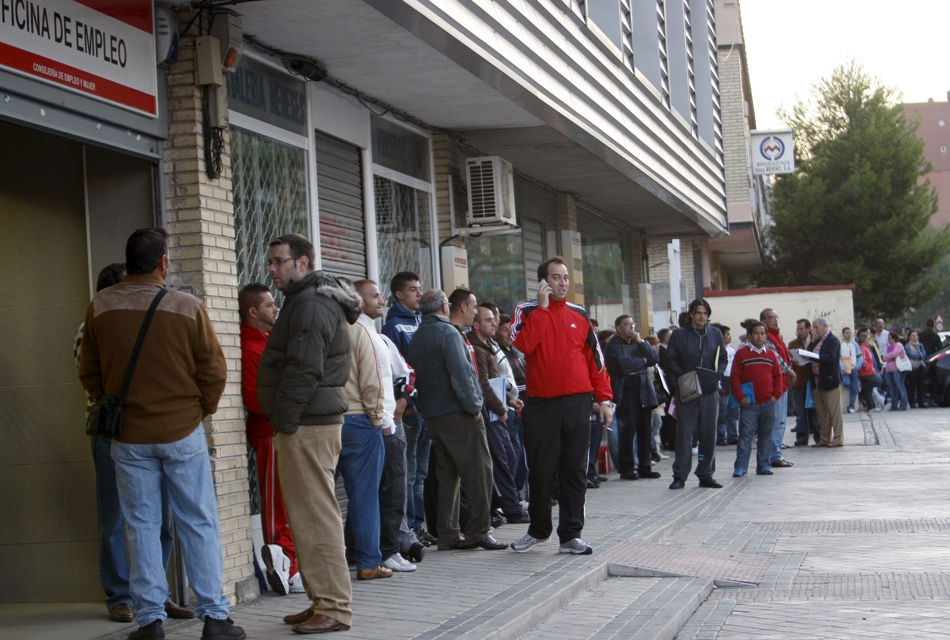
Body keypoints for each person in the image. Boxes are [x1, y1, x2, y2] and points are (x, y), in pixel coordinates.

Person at [78, 229, 241, 640]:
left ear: (129, 261)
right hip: (181, 430)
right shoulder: (187, 306)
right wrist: (199, 410)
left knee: (140, 524)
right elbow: (214, 371)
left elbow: (89, 372)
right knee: (198, 521)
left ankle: (150, 619)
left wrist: (114, 404)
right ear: (163, 263)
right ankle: (215, 618)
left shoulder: (100, 306)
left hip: (128, 436)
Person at [75, 264, 195, 625]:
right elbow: (90, 378)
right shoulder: (93, 327)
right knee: (115, 518)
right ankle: (121, 595)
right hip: (112, 434)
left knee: (159, 518)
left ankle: (155, 596)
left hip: (149, 431)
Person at [257, 233, 360, 634]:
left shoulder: (313, 304)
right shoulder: (305, 300)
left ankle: (333, 606)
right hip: (306, 422)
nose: (272, 268)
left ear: (302, 264)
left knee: (316, 516)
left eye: (279, 261)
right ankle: (322, 599)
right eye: (271, 261)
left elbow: (303, 369)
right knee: (307, 516)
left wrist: (283, 420)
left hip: (306, 425)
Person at [509, 257, 614, 555]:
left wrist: (603, 399)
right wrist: (542, 310)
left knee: (574, 470)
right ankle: (538, 530)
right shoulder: (526, 311)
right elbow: (524, 346)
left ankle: (571, 534)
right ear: (543, 282)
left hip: (578, 403)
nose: (562, 283)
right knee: (541, 470)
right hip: (541, 404)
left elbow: (596, 360)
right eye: (555, 277)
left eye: (565, 277)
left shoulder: (580, 314)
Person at [407, 290, 507, 551]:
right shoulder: (448, 333)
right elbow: (462, 375)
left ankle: (448, 534)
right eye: (474, 307)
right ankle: (478, 532)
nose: (475, 311)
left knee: (448, 476)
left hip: (433, 415)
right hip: (459, 414)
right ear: (443, 307)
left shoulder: (419, 335)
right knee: (479, 473)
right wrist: (474, 407)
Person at [352, 280, 425, 573]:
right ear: (357, 302)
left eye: (381, 295)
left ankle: (388, 548)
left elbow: (406, 373)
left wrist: (402, 402)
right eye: (375, 296)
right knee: (372, 492)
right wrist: (382, 419)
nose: (381, 300)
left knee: (393, 488)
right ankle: (375, 551)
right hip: (367, 427)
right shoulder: (352, 334)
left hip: (388, 425)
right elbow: (366, 384)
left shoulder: (381, 338)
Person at [238, 283, 302, 596]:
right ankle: (283, 566)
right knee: (277, 505)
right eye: (268, 305)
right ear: (253, 312)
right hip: (270, 433)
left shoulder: (266, 342)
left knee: (291, 502)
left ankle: (292, 563)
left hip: (284, 430)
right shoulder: (249, 347)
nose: (275, 309)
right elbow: (256, 400)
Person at [338, 278, 394, 582]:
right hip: (360, 422)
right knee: (364, 497)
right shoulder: (362, 332)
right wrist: (378, 420)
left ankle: (325, 564)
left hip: (327, 422)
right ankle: (368, 563)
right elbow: (373, 382)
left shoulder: (324, 330)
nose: (380, 300)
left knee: (321, 498)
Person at [382, 272, 432, 545]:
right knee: (409, 471)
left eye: (419, 288)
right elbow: (396, 370)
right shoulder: (394, 327)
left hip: (427, 409)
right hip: (410, 411)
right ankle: (408, 529)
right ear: (399, 295)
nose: (418, 293)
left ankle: (418, 526)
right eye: (412, 289)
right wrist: (407, 403)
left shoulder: (422, 321)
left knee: (421, 472)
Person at [469, 304, 528, 522]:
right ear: (476, 325)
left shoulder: (488, 346)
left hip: (500, 409)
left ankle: (507, 504)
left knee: (509, 456)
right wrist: (500, 407)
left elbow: (495, 382)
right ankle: (507, 507)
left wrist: (509, 400)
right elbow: (483, 384)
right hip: (490, 413)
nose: (494, 323)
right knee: (500, 461)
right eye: (488, 320)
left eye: (494, 319)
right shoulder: (476, 347)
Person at [666, 298, 727, 490]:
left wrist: (716, 375)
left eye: (705, 313)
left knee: (709, 433)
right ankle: (680, 475)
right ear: (691, 314)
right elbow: (670, 360)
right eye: (698, 312)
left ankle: (706, 473)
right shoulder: (679, 335)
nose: (702, 317)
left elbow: (723, 358)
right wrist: (682, 378)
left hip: (709, 391)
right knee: (685, 433)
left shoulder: (715, 333)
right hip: (688, 390)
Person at [604, 315, 661, 481]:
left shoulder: (638, 343)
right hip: (626, 392)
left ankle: (645, 466)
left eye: (632, 324)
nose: (631, 327)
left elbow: (654, 359)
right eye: (627, 324)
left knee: (645, 431)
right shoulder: (613, 345)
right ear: (618, 327)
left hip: (643, 391)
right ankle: (627, 468)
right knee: (627, 432)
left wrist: (642, 344)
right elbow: (621, 365)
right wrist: (642, 361)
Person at [730, 320, 782, 477]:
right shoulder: (742, 354)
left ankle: (764, 465)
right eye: (756, 333)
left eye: (762, 333)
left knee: (766, 435)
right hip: (749, 403)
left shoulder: (771, 354)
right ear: (749, 336)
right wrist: (740, 397)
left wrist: (775, 395)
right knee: (745, 435)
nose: (759, 337)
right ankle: (741, 467)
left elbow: (777, 376)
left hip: (768, 402)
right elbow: (735, 377)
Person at [760, 309, 796, 468]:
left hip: (783, 384)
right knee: (777, 422)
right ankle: (774, 455)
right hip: (776, 385)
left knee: (780, 421)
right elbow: (776, 360)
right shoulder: (767, 337)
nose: (775, 320)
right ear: (763, 321)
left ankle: (776, 452)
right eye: (771, 318)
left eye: (776, 317)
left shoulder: (777, 336)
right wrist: (789, 371)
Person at [496, 313, 528, 492]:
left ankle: (515, 492)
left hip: (520, 407)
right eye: (505, 330)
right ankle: (511, 493)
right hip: (508, 408)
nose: (510, 334)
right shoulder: (499, 353)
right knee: (513, 452)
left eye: (512, 330)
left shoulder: (513, 352)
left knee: (519, 452)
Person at [811, 318, 843, 447]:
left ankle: (838, 438)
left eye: (816, 327)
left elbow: (829, 357)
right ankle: (824, 438)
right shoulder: (817, 341)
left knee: (834, 411)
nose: (814, 330)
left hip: (829, 379)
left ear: (824, 326)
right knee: (821, 412)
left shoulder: (832, 340)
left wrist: (813, 356)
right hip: (817, 379)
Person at [788, 319, 819, 445]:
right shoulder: (793, 344)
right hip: (798, 380)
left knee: (815, 411)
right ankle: (801, 437)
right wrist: (793, 361)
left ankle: (818, 437)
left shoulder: (816, 342)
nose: (799, 332)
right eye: (798, 329)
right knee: (800, 412)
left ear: (808, 329)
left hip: (812, 380)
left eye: (801, 329)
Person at [713, 324, 739, 446]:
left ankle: (733, 435)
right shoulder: (717, 350)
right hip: (723, 380)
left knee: (733, 411)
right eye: (727, 334)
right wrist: (718, 384)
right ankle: (720, 436)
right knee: (722, 411)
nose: (730, 336)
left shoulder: (731, 350)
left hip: (731, 381)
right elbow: (716, 368)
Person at [882, 330, 909, 411]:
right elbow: (884, 357)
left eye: (890, 338)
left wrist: (887, 356)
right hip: (889, 369)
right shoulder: (889, 347)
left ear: (894, 338)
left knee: (900, 386)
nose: (889, 340)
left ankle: (903, 404)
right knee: (892, 388)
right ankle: (894, 404)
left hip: (897, 369)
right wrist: (888, 356)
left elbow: (894, 354)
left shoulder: (899, 345)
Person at [856, 330, 883, 412]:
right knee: (878, 381)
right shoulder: (862, 348)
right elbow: (863, 359)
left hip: (869, 371)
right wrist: (868, 368)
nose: (869, 339)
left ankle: (871, 405)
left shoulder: (866, 347)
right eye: (867, 338)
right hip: (866, 372)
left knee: (869, 390)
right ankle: (865, 390)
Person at [839, 327, 861, 414]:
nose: (848, 334)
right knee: (846, 383)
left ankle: (851, 406)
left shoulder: (854, 344)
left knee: (854, 388)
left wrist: (858, 366)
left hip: (854, 368)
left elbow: (860, 356)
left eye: (849, 333)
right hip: (845, 369)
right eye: (846, 333)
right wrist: (842, 368)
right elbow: (838, 358)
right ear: (843, 334)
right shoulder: (840, 344)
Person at [904, 330, 928, 408]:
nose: (914, 337)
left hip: (921, 366)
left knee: (921, 384)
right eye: (913, 335)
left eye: (916, 335)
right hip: (912, 367)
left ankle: (921, 401)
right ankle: (912, 402)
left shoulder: (920, 345)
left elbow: (924, 354)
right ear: (909, 337)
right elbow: (911, 355)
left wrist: (918, 355)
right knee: (912, 385)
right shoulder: (907, 346)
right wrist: (919, 355)